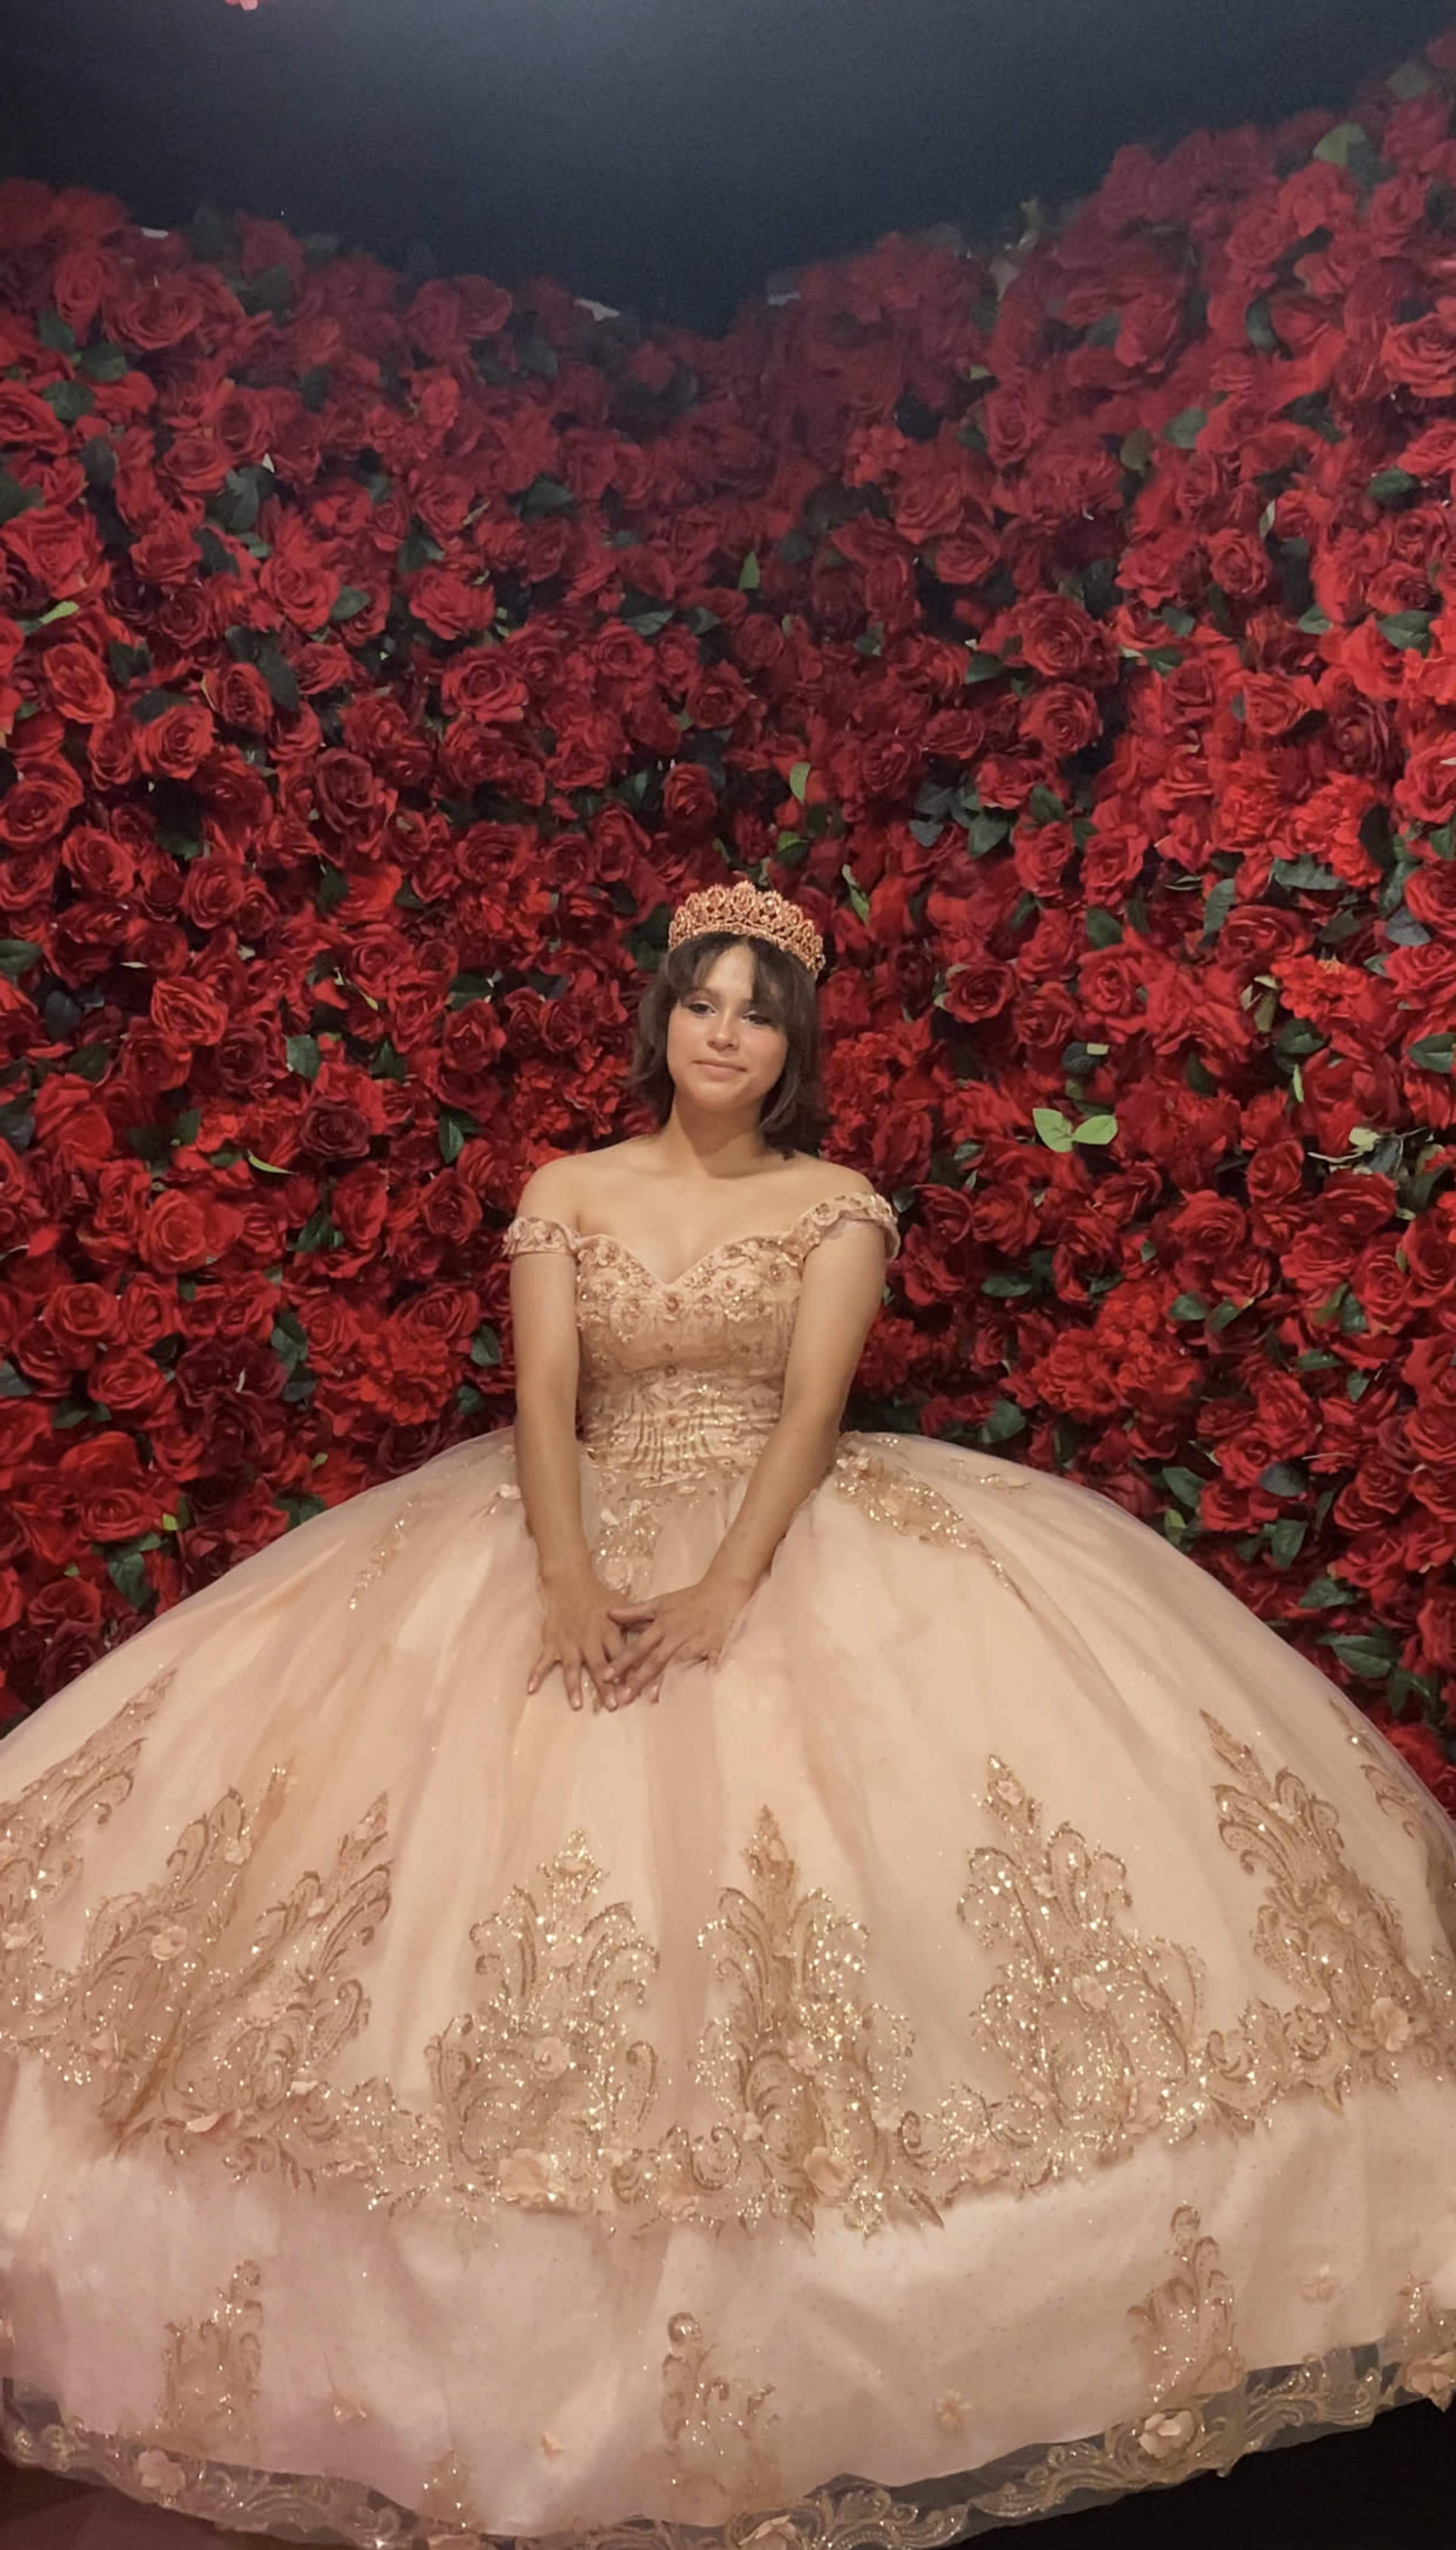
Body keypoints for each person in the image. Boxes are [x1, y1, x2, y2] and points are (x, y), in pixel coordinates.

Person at [0, 878, 1453, 2550]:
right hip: (545, 1531)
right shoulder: (567, 1190)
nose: (726, 1030)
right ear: (665, 1016)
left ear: (791, 1048)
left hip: (783, 1540)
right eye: (706, 998)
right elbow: (546, 1395)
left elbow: (811, 1412)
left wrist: (721, 1591)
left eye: (761, 1010)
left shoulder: (836, 1205)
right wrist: (564, 1569)